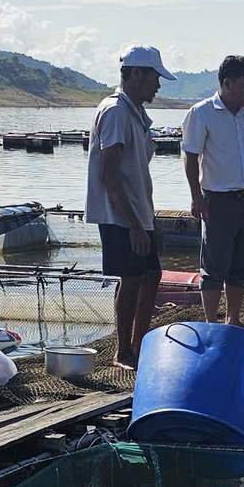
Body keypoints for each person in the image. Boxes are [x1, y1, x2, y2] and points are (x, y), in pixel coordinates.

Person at [86, 44, 173, 369]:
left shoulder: (134, 113)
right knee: (132, 276)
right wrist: (134, 224)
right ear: (136, 74)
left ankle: (139, 347)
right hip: (119, 215)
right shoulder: (115, 111)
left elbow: (137, 175)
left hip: (138, 213)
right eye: (154, 77)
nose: (158, 85)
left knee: (152, 274)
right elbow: (109, 172)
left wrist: (151, 222)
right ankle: (123, 353)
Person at [181, 55, 244, 327]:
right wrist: (196, 197)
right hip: (218, 200)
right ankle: (210, 321)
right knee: (215, 265)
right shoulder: (202, 112)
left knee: (243, 264)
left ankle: (233, 318)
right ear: (226, 83)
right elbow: (190, 157)